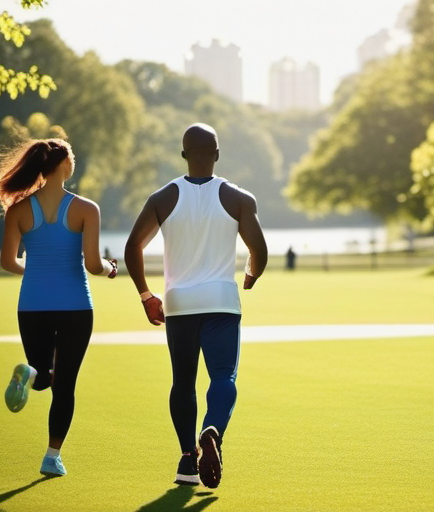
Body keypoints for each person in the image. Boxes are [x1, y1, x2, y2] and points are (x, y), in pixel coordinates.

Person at [124, 123, 267, 489]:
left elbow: (132, 248)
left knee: (183, 383)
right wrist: (250, 276)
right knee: (223, 378)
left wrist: (146, 295)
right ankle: (212, 429)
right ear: (217, 154)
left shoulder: (163, 198)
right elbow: (259, 251)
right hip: (221, 301)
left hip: (179, 303)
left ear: (184, 154)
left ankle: (188, 460)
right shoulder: (239, 198)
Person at [0, 138, 117, 477]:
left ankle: (29, 373)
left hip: (33, 304)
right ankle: (51, 457)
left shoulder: (18, 209)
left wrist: (35, 269)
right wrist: (109, 267)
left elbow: (8, 261)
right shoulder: (86, 209)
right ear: (64, 165)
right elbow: (92, 265)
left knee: (42, 377)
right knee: (65, 385)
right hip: (76, 305)